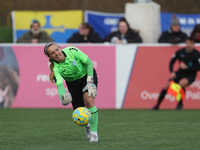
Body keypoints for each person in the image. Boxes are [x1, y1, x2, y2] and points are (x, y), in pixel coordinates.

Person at [44, 42, 99, 142]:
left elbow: (89, 63)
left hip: (87, 76)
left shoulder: (72, 51)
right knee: (79, 112)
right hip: (73, 84)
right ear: (49, 57)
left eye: (57, 50)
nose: (56, 53)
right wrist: (63, 97)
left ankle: (94, 134)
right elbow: (60, 85)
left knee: (89, 100)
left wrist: (90, 81)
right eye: (52, 53)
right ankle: (87, 126)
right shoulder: (55, 68)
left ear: (60, 48)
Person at [152, 37, 200, 110]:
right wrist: (172, 72)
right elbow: (171, 62)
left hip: (190, 74)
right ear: (185, 43)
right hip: (180, 73)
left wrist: (187, 67)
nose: (189, 44)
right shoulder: (180, 52)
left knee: (181, 83)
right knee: (167, 86)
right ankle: (157, 105)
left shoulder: (197, 54)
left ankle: (180, 104)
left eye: (191, 43)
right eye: (187, 42)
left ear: (193, 44)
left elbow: (198, 67)